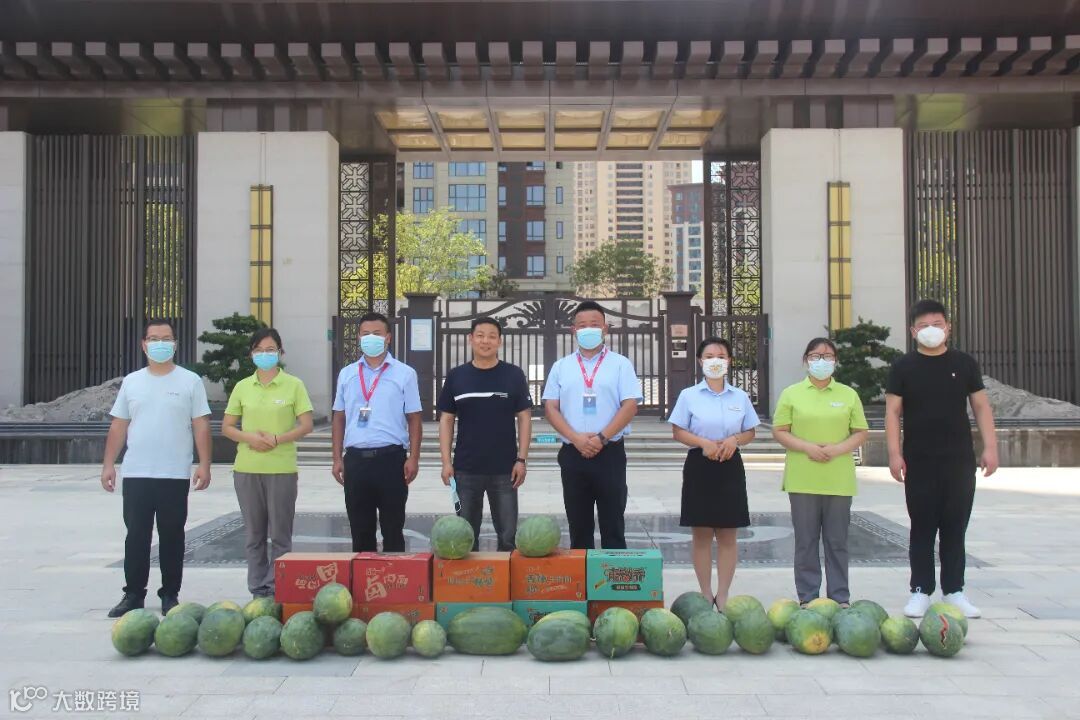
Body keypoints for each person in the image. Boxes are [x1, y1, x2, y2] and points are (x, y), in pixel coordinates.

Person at [886, 299, 998, 619]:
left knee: (955, 526)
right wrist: (894, 454)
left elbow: (981, 407)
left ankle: (954, 591)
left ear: (948, 327)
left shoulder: (964, 364)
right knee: (921, 527)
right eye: (923, 326)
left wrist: (990, 447)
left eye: (937, 324)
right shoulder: (903, 367)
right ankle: (920, 590)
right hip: (919, 460)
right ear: (913, 331)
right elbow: (893, 412)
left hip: (959, 460)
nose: (931, 330)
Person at [101, 318, 212, 617]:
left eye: (166, 339)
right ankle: (133, 594)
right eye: (153, 339)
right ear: (143, 344)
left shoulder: (190, 381)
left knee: (172, 536)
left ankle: (170, 594)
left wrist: (204, 464)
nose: (160, 344)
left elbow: (201, 425)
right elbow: (119, 425)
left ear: (175, 344)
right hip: (137, 473)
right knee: (136, 535)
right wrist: (109, 464)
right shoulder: (132, 381)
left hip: (174, 473)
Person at [772, 337, 869, 609]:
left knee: (837, 541)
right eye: (815, 356)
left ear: (835, 361)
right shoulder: (792, 393)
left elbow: (860, 432)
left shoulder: (848, 394)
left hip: (838, 479)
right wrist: (807, 448)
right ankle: (808, 597)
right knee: (806, 541)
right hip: (803, 478)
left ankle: (840, 597)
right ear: (806, 361)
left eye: (828, 356)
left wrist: (837, 449)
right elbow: (780, 430)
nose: (822, 361)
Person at [221, 328, 314, 599]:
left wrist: (277, 439)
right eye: (259, 350)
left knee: (281, 535)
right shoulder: (242, 386)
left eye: (270, 350)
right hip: (247, 468)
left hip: (281, 469)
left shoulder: (294, 385)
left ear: (280, 352)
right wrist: (250, 437)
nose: (265, 354)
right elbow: (227, 426)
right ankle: (257, 588)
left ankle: (277, 586)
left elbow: (306, 424)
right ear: (251, 354)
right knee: (254, 535)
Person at [542, 300, 642, 549]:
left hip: (609, 453)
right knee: (578, 526)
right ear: (573, 330)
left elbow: (630, 405)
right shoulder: (561, 367)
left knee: (613, 525)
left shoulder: (621, 364)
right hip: (573, 453)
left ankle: (613, 573)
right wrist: (576, 439)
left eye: (594, 324)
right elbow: (550, 408)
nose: (588, 330)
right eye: (582, 325)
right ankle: (581, 574)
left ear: (605, 328)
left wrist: (601, 438)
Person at [669, 337, 759, 608]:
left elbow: (750, 431)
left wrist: (735, 440)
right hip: (700, 465)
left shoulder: (740, 396)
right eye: (709, 356)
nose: (715, 361)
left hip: (730, 466)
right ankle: (706, 593)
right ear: (700, 361)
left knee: (728, 534)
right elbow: (678, 431)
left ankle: (723, 594)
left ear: (729, 361)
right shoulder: (689, 395)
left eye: (721, 356)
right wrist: (703, 443)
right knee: (702, 535)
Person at [437, 317, 532, 551]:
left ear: (499, 341)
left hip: (505, 470)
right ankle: (470, 576)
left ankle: (506, 575)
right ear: (470, 339)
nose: (485, 341)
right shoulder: (457, 376)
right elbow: (446, 420)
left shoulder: (513, 375)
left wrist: (521, 459)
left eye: (491, 336)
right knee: (465, 538)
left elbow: (524, 418)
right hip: (466, 469)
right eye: (480, 335)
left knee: (508, 538)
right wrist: (446, 462)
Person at [331, 312, 422, 552]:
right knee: (360, 530)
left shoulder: (405, 374)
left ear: (388, 337)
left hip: (391, 460)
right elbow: (339, 417)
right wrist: (337, 458)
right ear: (358, 337)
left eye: (377, 333)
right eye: (365, 334)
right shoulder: (347, 374)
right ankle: (364, 575)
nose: (371, 337)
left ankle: (395, 575)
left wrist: (413, 458)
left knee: (393, 528)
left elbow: (414, 418)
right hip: (356, 461)